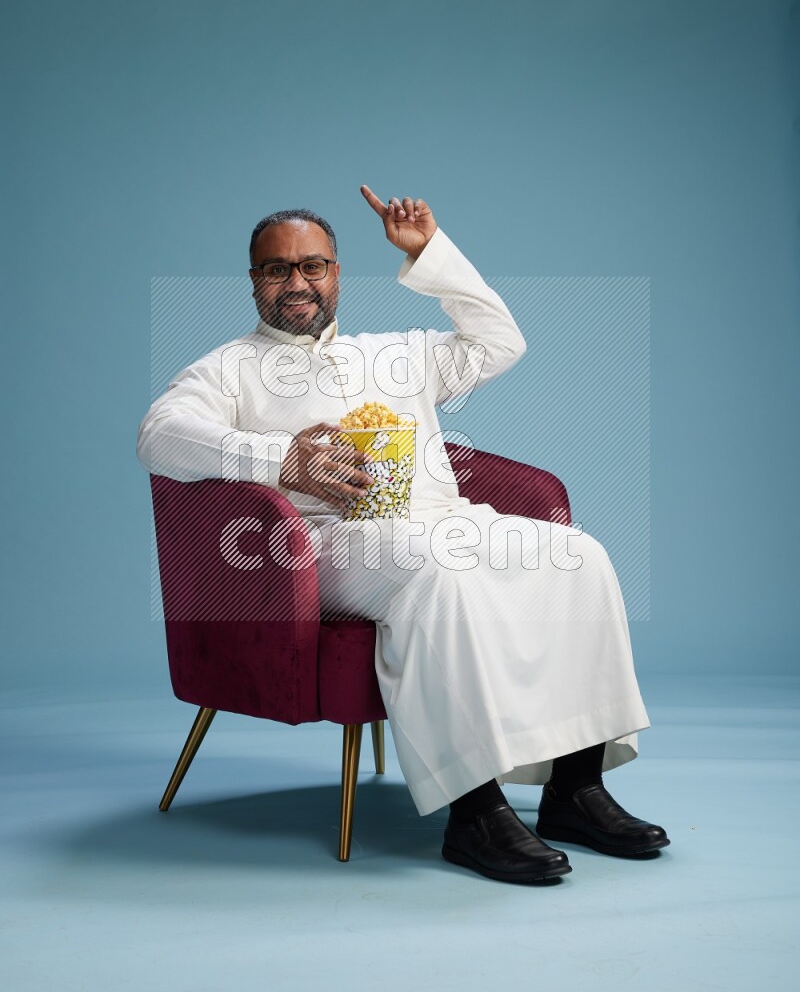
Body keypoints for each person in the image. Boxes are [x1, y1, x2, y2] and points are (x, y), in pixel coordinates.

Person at [137, 185, 669, 884]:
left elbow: (501, 342)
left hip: (440, 520)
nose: (297, 282)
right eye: (277, 269)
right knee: (436, 570)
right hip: (324, 544)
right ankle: (474, 811)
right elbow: (160, 436)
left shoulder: (397, 353)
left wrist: (431, 254)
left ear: (336, 273)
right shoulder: (227, 367)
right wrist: (281, 458)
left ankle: (576, 788)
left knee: (579, 556)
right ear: (254, 279)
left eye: (313, 266)